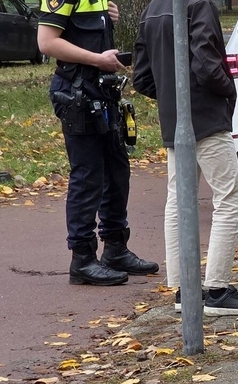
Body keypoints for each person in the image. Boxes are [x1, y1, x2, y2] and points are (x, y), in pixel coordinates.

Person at [133, 0, 238, 315]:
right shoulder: (199, 5)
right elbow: (206, 62)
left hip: (174, 119)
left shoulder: (152, 9)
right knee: (229, 198)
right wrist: (227, 91)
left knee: (178, 201)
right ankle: (216, 287)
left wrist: (170, 94)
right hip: (207, 116)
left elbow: (142, 76)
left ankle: (182, 288)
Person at [37, 0, 160, 286]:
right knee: (88, 175)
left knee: (117, 172)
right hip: (77, 92)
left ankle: (115, 248)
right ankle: (82, 259)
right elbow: (46, 42)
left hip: (102, 92)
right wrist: (97, 59)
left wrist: (107, 18)